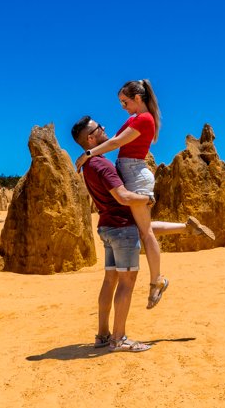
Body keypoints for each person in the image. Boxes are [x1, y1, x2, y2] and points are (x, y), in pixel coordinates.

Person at [72, 116, 215, 352]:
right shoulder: (103, 165)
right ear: (90, 138)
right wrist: (147, 198)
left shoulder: (89, 166)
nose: (104, 128)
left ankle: (103, 335)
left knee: (110, 281)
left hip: (107, 228)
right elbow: (123, 197)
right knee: (127, 284)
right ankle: (119, 339)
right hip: (122, 230)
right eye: (99, 128)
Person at [75, 79, 178, 309]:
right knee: (144, 229)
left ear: (138, 99)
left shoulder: (143, 119)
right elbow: (113, 141)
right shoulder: (136, 118)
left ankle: (157, 280)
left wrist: (88, 153)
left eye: (125, 102)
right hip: (130, 171)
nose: (123, 106)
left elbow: (116, 143)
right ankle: (182, 232)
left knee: (146, 232)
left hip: (134, 174)